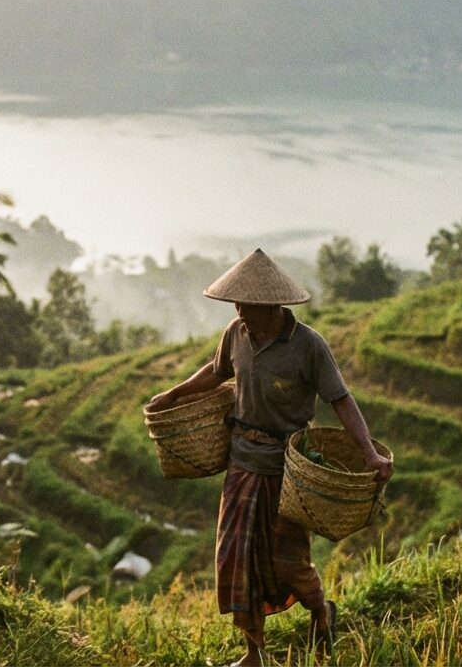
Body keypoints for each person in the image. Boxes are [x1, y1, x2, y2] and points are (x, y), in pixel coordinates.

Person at [146, 249, 393, 666]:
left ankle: (320, 610)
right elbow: (216, 370)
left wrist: (369, 452)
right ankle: (253, 653)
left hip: (288, 469)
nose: (239, 311)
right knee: (237, 559)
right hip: (242, 463)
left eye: (247, 305)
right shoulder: (236, 334)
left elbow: (340, 399)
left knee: (288, 561)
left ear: (272, 306)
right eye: (236, 304)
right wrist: (175, 393)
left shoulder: (309, 346)